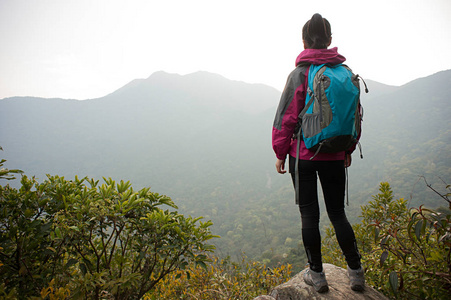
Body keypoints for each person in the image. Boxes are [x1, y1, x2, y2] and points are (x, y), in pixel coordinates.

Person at [272, 13, 365, 293]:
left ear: (304, 41)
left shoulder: (300, 74)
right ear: (330, 41)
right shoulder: (345, 73)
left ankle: (317, 275)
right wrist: (348, 147)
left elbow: (286, 117)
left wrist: (280, 152)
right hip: (336, 155)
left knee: (309, 216)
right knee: (338, 213)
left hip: (303, 156)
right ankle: (356, 272)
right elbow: (354, 116)